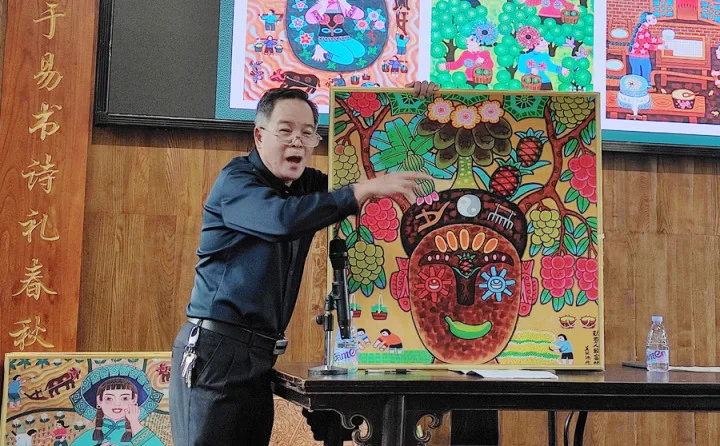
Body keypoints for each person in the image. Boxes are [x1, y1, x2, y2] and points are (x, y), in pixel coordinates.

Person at [169, 81, 438, 445]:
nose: (297, 141)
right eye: (286, 130)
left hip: (259, 356)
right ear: (259, 135)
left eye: (308, 133)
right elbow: (281, 219)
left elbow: (372, 181)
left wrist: (406, 103)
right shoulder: (236, 181)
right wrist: (361, 191)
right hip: (216, 351)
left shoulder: (303, 185)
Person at [628, 12, 664, 87]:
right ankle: (639, 86)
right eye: (651, 19)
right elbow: (644, 44)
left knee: (646, 69)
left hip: (641, 55)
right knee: (638, 72)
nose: (654, 20)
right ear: (646, 20)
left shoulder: (645, 28)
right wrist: (657, 47)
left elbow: (649, 39)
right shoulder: (642, 29)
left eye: (654, 18)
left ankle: (645, 85)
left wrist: (660, 40)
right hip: (637, 55)